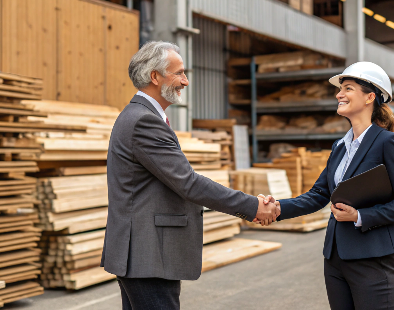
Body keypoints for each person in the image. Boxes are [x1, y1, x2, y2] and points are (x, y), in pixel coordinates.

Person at [101, 41, 279, 310]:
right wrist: (251, 205)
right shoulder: (144, 121)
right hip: (147, 254)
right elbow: (188, 183)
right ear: (155, 76)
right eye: (179, 73)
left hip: (142, 253)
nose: (185, 81)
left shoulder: (141, 115)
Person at [273, 61, 394, 310]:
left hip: (372, 259)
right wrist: (276, 207)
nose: (339, 94)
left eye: (348, 88)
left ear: (369, 97)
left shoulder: (389, 143)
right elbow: (319, 194)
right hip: (335, 258)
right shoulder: (340, 147)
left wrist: (360, 215)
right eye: (340, 89)